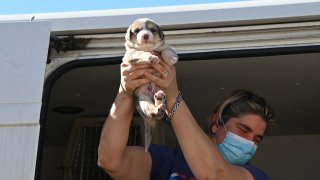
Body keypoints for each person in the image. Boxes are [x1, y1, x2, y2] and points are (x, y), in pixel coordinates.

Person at [98, 59, 275, 180]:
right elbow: (110, 160)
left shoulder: (254, 175)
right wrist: (126, 91)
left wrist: (173, 98)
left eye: (257, 139)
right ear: (216, 123)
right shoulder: (166, 160)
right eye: (243, 130)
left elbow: (214, 175)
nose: (249, 143)